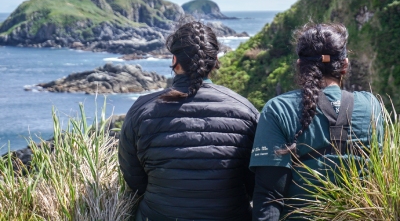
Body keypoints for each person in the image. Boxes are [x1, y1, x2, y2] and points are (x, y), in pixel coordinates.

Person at [118, 21, 259, 221]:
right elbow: (255, 181)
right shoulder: (245, 110)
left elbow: (134, 179)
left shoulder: (142, 109)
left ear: (175, 60)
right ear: (215, 60)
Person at [249, 23, 383, 220]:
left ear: (299, 65)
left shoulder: (278, 109)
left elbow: (270, 196)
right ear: (344, 65)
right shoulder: (372, 106)